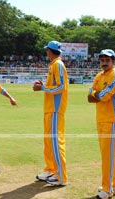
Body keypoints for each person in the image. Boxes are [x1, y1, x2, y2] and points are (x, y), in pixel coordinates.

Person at [87, 49, 115, 199]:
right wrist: (96, 94)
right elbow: (90, 95)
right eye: (102, 59)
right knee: (108, 154)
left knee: (108, 156)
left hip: (111, 119)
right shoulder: (99, 75)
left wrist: (96, 94)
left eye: (107, 60)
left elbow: (104, 96)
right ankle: (114, 185)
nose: (104, 62)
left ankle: (106, 189)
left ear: (113, 61)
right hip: (101, 118)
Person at [33, 41, 68, 186]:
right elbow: (53, 86)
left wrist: (42, 89)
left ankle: (61, 176)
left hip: (55, 109)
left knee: (55, 142)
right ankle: (51, 169)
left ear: (49, 51)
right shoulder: (53, 65)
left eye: (46, 51)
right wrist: (44, 86)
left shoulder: (58, 65)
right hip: (49, 109)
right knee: (48, 142)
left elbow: (61, 87)